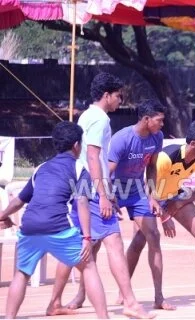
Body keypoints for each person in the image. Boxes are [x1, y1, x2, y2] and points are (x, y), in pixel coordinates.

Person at [48, 72, 154, 319]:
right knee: (114, 243)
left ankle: (55, 301)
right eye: (118, 96)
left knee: (79, 248)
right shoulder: (100, 119)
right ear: (106, 95)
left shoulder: (87, 115)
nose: (120, 100)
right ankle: (129, 302)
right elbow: (94, 156)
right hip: (92, 191)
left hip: (86, 189)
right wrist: (104, 195)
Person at [0, 122, 109, 319]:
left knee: (22, 273)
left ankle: (9, 318)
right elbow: (82, 202)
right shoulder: (78, 168)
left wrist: (1, 215)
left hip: (29, 227)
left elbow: (18, 200)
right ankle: (104, 317)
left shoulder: (41, 168)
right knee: (88, 265)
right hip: (59, 227)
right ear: (76, 145)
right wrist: (86, 237)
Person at [128, 119, 195, 303]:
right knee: (139, 241)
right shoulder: (166, 157)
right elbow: (146, 186)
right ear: (192, 144)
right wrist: (165, 216)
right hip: (148, 197)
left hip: (174, 195)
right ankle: (124, 291)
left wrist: (181, 202)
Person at [109, 100, 175, 310]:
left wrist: (153, 196)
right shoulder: (122, 138)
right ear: (147, 119)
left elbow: (152, 167)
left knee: (153, 236)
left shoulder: (157, 137)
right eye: (159, 120)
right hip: (115, 189)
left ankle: (159, 297)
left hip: (137, 191)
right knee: (97, 241)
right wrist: (108, 196)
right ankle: (82, 295)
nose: (162, 124)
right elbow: (107, 171)